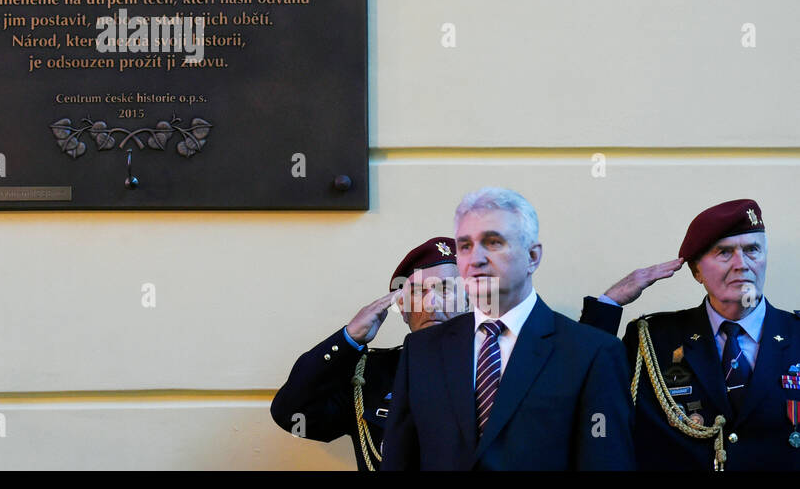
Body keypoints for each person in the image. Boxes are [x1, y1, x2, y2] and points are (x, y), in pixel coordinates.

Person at [382, 188, 635, 470]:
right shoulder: (422, 350)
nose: (475, 258)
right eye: (465, 246)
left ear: (532, 256)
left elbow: (606, 461)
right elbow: (399, 460)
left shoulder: (592, 352)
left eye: (492, 243)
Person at [589, 199, 799, 470]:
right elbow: (587, 390)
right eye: (724, 252)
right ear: (696, 271)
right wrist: (609, 304)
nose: (741, 264)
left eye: (752, 250)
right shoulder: (652, 341)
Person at [270, 237, 462, 470]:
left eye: (447, 289)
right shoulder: (370, 377)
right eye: (419, 292)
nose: (432, 303)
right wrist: (349, 338)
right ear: (402, 309)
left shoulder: (498, 369)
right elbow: (291, 414)